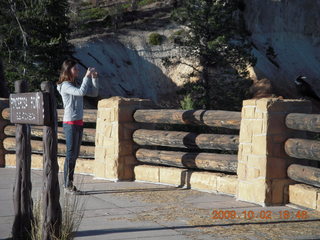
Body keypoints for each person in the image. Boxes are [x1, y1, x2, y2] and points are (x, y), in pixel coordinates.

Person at [57, 59, 99, 193]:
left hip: (78, 123)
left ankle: (69, 183)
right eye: (75, 69)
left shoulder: (75, 84)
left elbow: (93, 93)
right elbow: (81, 92)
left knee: (74, 155)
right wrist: (87, 76)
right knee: (70, 154)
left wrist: (94, 78)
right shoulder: (65, 85)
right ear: (68, 70)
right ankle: (67, 184)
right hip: (70, 123)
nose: (78, 71)